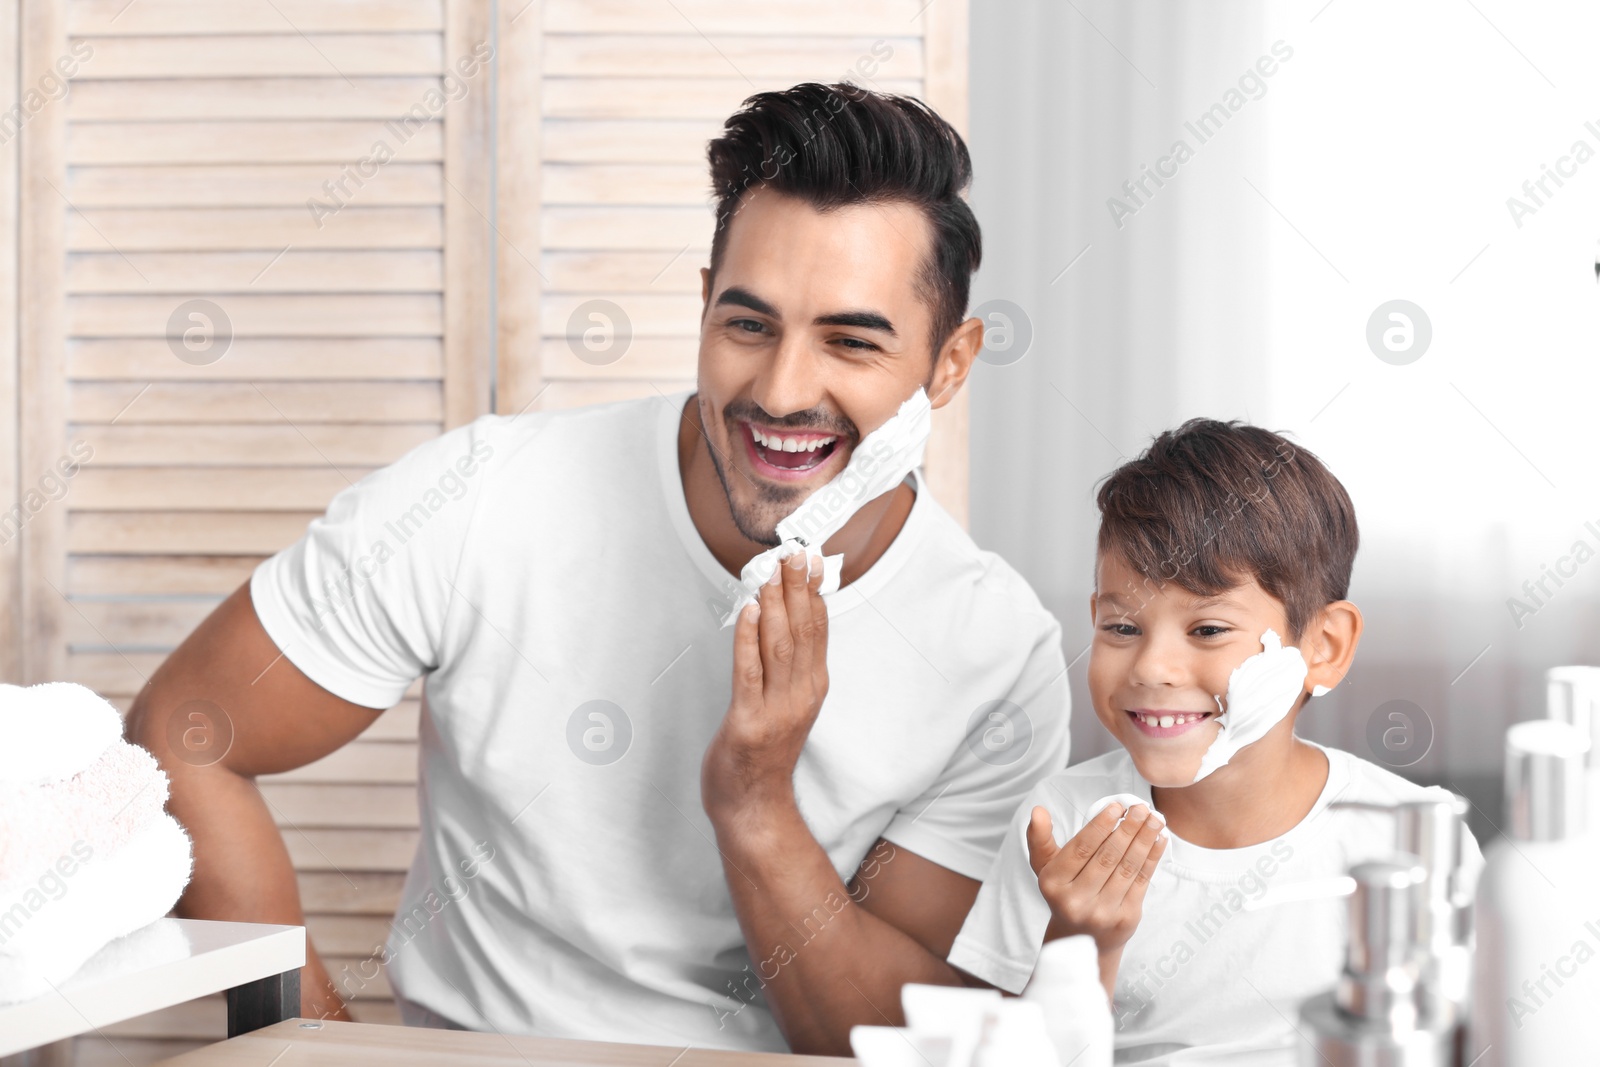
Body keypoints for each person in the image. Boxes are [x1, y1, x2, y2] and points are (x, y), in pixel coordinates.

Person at [125, 82, 1070, 1056]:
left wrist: (754, 801)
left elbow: (885, 1038)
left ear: (949, 364)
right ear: (704, 302)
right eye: (747, 325)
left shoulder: (994, 655)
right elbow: (183, 732)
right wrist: (312, 1042)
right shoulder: (483, 495)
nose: (782, 390)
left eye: (849, 340)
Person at [947, 419, 1482, 1054]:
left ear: (1324, 647)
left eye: (1207, 631)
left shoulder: (1405, 839)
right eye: (1122, 629)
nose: (1150, 668)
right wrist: (1083, 942)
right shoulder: (1061, 827)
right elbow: (1003, 1054)